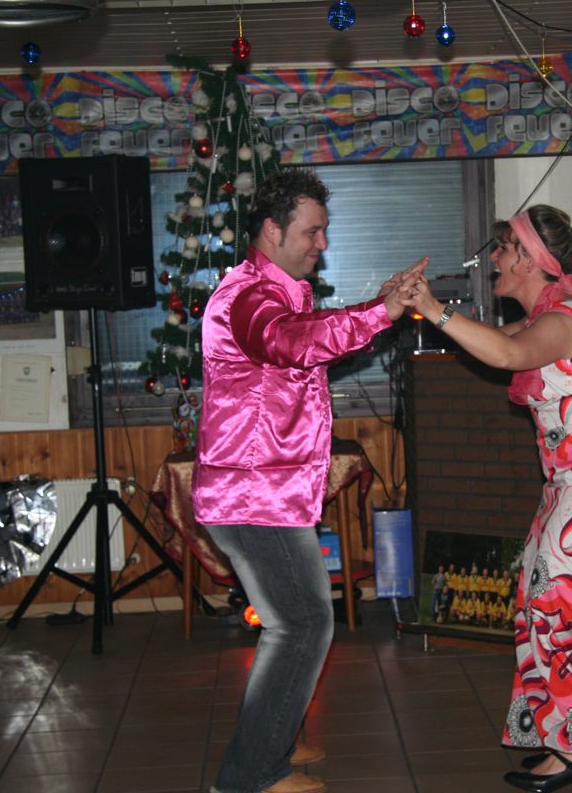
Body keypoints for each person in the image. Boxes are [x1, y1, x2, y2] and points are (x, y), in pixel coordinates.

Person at [193, 167, 427, 793]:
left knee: (295, 622)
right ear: (272, 231)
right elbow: (290, 343)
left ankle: (272, 745)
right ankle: (250, 776)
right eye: (312, 231)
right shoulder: (248, 298)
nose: (322, 243)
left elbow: (307, 344)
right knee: (301, 625)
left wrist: (377, 308)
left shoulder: (276, 292)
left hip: (266, 493)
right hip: (252, 496)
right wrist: (379, 311)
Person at [404, 205, 572, 793]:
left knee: (564, 614)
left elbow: (509, 356)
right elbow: (492, 343)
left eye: (503, 248)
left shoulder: (564, 317)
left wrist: (434, 308)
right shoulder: (547, 313)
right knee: (543, 608)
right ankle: (567, 740)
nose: (493, 258)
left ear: (533, 260)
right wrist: (414, 305)